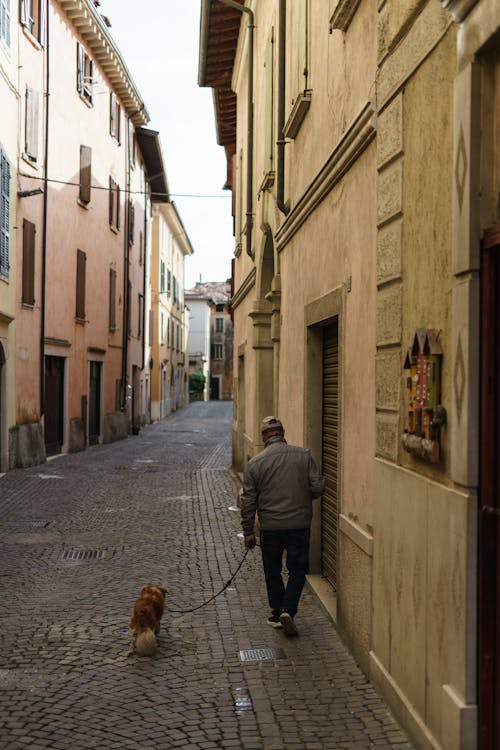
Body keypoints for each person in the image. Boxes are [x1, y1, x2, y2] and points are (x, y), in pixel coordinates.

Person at [241, 416, 325, 635]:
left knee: (272, 570)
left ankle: (279, 611)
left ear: (263, 437)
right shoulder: (304, 455)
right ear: (283, 432)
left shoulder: (255, 463)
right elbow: (317, 487)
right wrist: (301, 498)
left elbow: (248, 501)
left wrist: (248, 532)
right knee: (298, 569)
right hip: (299, 524)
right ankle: (288, 609)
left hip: (270, 527)